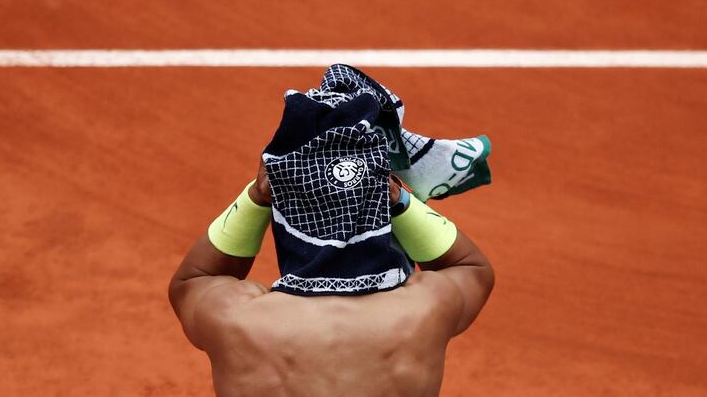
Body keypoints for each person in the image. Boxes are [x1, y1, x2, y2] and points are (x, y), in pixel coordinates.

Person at [169, 158, 495, 397]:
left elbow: (194, 280)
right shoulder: (423, 309)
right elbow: (470, 268)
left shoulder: (235, 318)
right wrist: (400, 200)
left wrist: (256, 197)